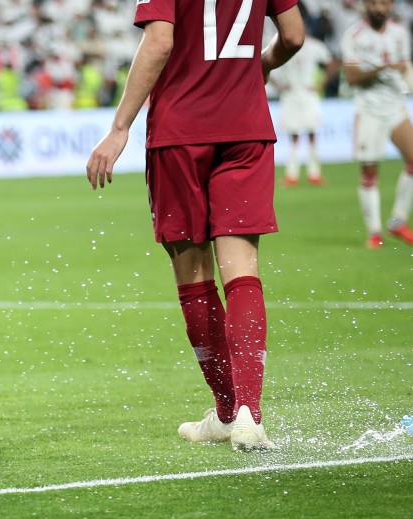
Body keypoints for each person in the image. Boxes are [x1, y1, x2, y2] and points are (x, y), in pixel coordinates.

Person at [86, 0, 305, 451]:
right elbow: (295, 35)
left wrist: (120, 126)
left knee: (194, 274)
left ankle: (227, 410)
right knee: (242, 269)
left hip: (181, 131)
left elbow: (160, 40)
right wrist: (259, 66)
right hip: (246, 127)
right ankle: (248, 414)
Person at [341, 0, 413, 249]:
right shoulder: (354, 35)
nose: (379, 8)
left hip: (395, 107)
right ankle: (374, 232)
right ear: (366, 6)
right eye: (374, 3)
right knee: (370, 172)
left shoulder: (400, 32)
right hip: (369, 110)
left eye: (384, 3)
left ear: (391, 5)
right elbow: (351, 76)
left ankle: (397, 221)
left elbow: (405, 66)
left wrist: (404, 70)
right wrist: (382, 68)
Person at [270, 34, 332, 186]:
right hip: (291, 94)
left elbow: (331, 63)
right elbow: (264, 61)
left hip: (307, 94)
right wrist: (278, 85)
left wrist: (322, 84)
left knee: (311, 133)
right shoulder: (282, 43)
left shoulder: (313, 45)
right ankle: (292, 175)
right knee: (295, 136)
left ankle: (313, 174)